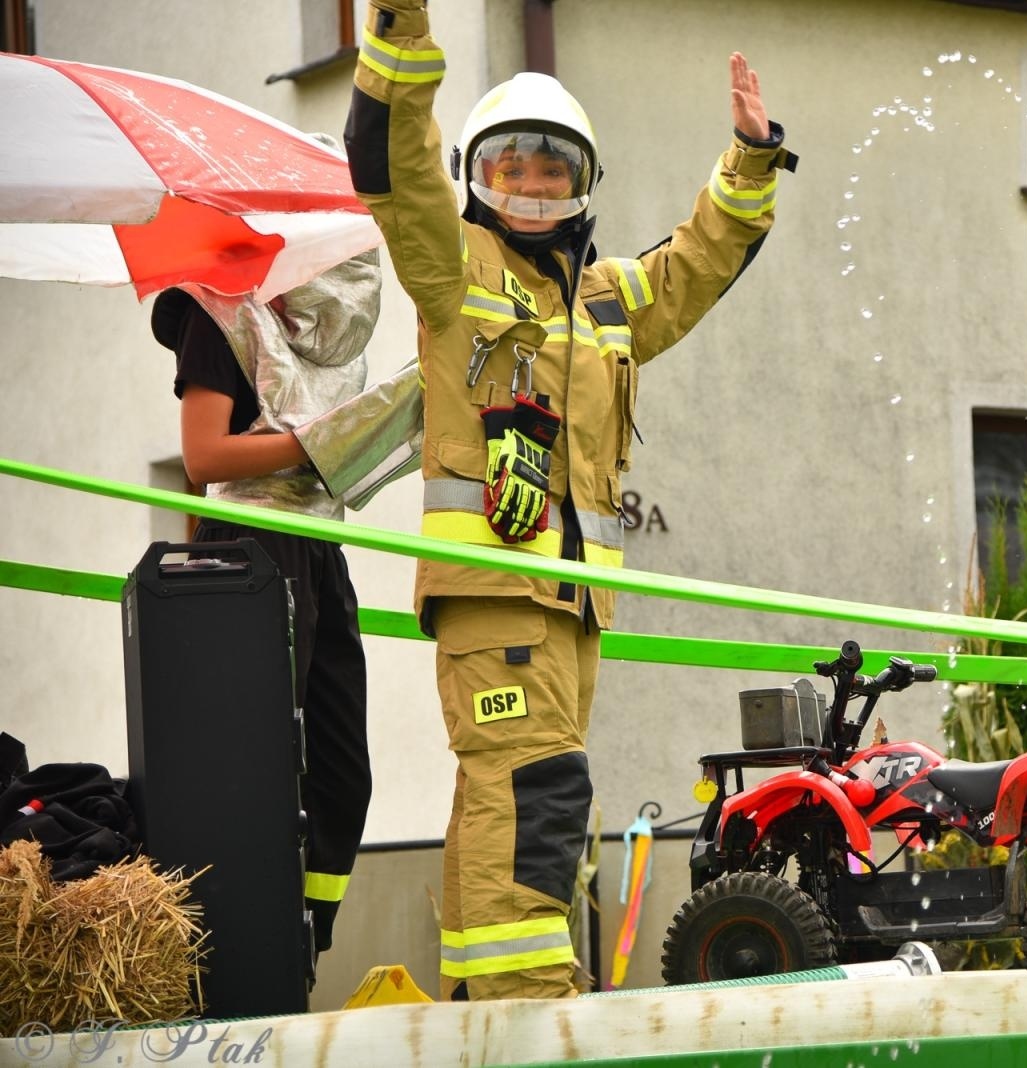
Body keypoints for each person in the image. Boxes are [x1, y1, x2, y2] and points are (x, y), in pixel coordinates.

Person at [344, 0, 796, 1001]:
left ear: (584, 185)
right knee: (534, 791)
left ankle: (477, 1008)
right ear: (477, 178)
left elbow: (693, 269)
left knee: (499, 794)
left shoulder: (599, 298)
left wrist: (750, 163)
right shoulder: (453, 268)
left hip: (568, 604)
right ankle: (531, 1011)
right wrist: (401, 30)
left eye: (553, 170)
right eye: (511, 168)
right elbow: (391, 167)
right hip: (500, 594)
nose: (534, 187)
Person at [151, 249, 384, 963]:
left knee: (342, 773)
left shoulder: (336, 343)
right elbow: (204, 459)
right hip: (247, 552)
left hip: (319, 550)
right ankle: (240, 942)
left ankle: (306, 935)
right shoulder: (217, 312)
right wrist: (319, 445)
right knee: (257, 761)